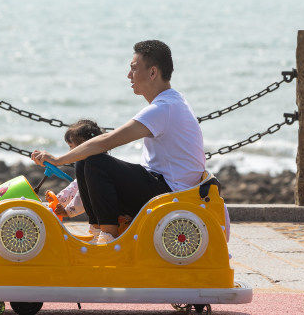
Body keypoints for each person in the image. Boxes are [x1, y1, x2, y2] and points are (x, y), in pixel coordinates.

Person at [31, 40, 207, 245]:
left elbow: (107, 140)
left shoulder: (163, 108)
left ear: (152, 73)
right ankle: (98, 229)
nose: (129, 75)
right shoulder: (172, 101)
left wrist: (59, 159)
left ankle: (109, 238)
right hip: (165, 186)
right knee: (85, 159)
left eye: (133, 69)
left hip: (171, 195)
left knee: (96, 161)